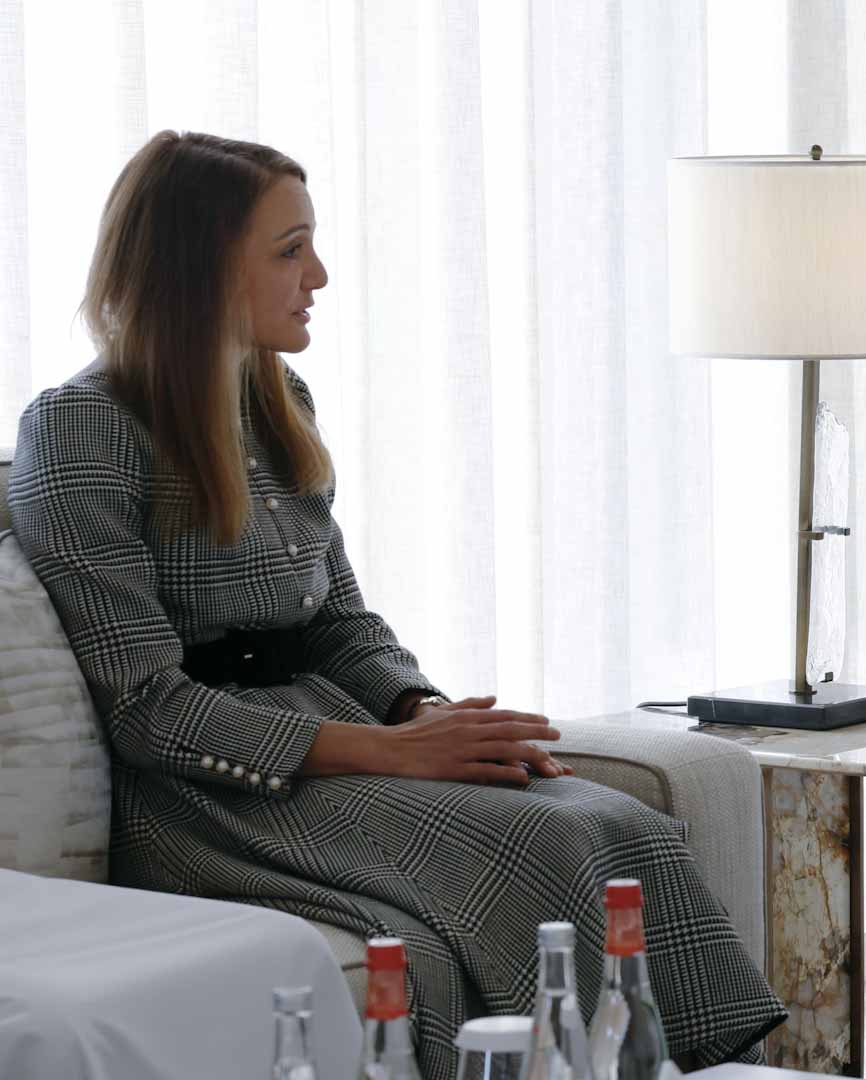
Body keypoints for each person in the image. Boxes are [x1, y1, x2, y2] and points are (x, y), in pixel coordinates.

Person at [6, 131, 785, 1080]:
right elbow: (145, 708)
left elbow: (339, 622)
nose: (319, 276)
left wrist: (424, 713)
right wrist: (391, 752)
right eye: (290, 250)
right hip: (209, 796)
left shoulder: (276, 397)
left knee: (617, 821)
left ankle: (694, 1068)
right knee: (553, 836)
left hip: (337, 738)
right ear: (199, 267)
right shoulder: (81, 426)